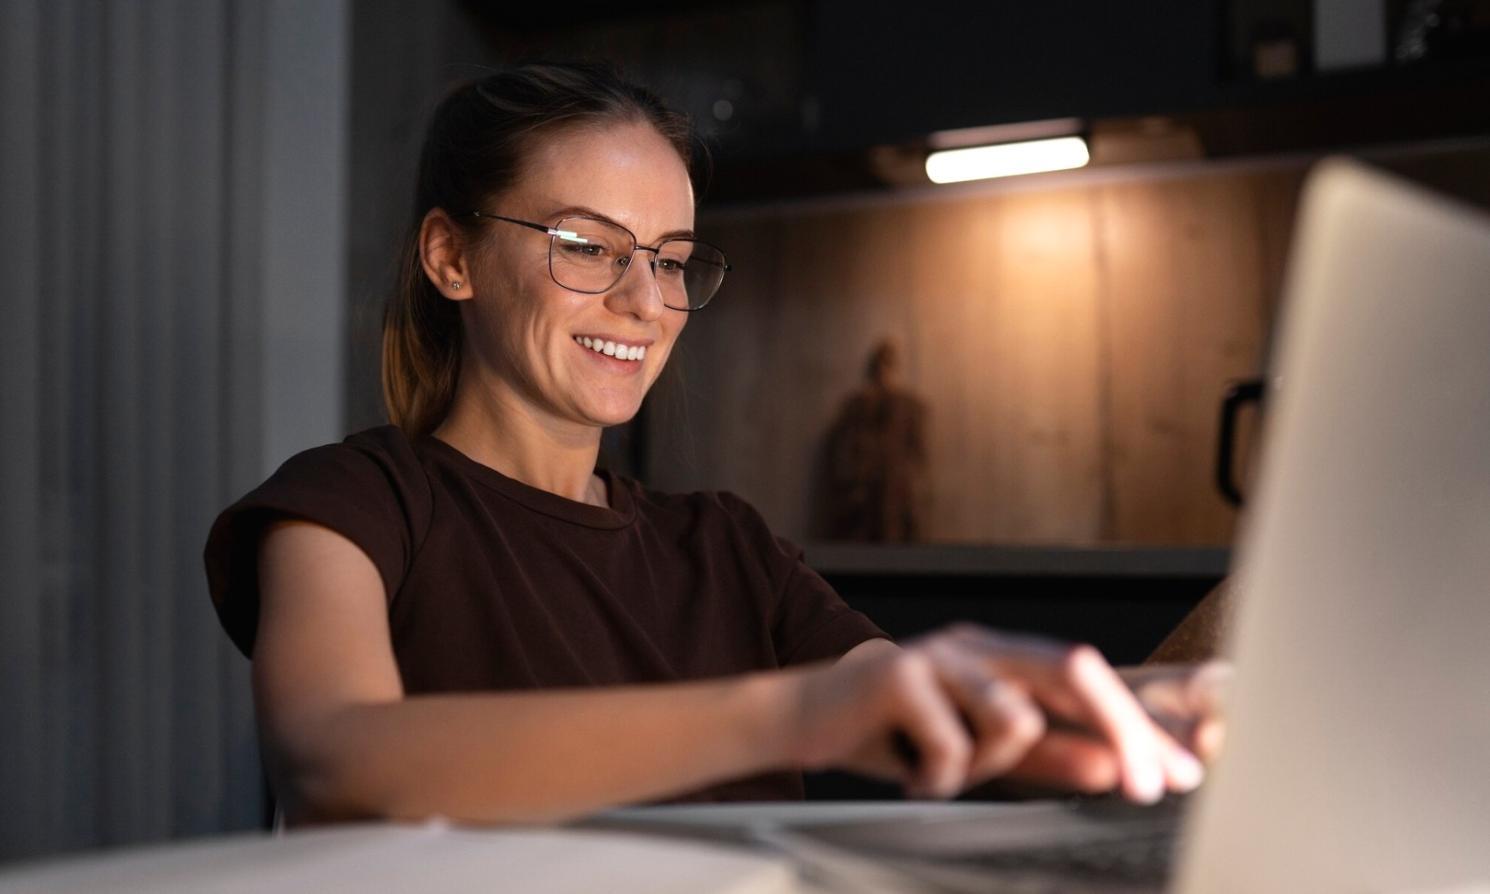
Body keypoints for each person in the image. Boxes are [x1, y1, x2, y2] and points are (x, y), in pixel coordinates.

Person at [204, 62, 1216, 828]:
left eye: (672, 261)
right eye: (586, 247)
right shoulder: (348, 505)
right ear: (450, 256)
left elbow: (944, 710)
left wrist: (1171, 697)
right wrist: (799, 713)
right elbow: (335, 759)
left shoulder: (724, 545)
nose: (645, 303)